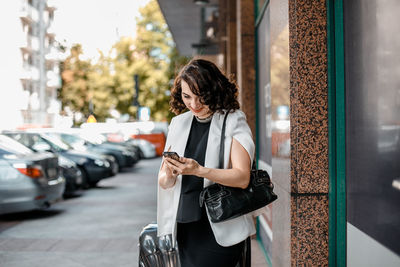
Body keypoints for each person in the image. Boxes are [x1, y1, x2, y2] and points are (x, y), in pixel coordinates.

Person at [157, 59, 255, 267]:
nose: (194, 104)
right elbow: (164, 182)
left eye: (201, 96)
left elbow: (242, 177)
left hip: (220, 226)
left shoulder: (233, 120)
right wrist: (170, 174)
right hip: (185, 225)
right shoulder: (178, 123)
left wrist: (199, 170)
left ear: (215, 90)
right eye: (187, 96)